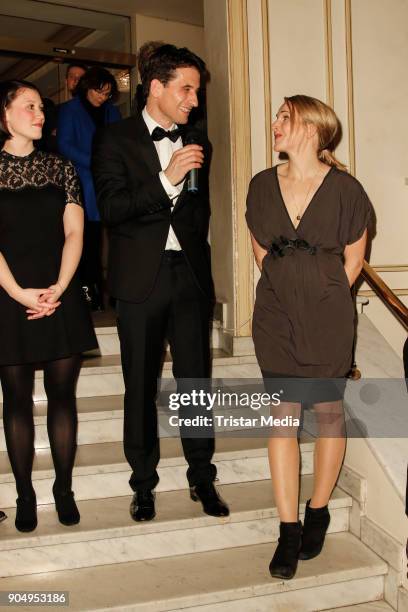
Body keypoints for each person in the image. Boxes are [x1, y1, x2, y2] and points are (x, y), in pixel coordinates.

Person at [92, 42, 229, 522]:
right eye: (186, 89)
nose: (194, 99)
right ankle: (143, 484)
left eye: (196, 90)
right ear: (156, 87)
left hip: (188, 279)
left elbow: (199, 214)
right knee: (140, 388)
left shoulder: (199, 142)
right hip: (140, 282)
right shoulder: (114, 140)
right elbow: (111, 209)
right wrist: (167, 178)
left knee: (195, 385)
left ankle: (201, 476)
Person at [246, 95, 371, 580]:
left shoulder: (346, 189)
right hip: (276, 317)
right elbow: (260, 252)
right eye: (276, 116)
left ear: (314, 127)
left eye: (285, 116)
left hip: (328, 318)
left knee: (328, 413)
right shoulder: (260, 186)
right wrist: (289, 289)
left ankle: (318, 508)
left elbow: (354, 262)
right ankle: (288, 527)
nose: (275, 123)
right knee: (282, 417)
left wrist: (319, 295)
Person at [0, 79, 98, 532]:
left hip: (60, 294)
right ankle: (24, 492)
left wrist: (58, 288)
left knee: (63, 398)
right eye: (29, 106)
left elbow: (76, 233)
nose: (41, 114)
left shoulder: (61, 169)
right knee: (16, 401)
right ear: (4, 115)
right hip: (6, 297)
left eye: (41, 107)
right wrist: (20, 293)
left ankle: (63, 487)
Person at [57, 67, 121, 310]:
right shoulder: (70, 110)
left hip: (111, 183)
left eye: (107, 94)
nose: (102, 97)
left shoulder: (112, 112)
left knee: (117, 240)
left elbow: (120, 144)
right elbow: (64, 145)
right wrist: (95, 163)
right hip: (84, 183)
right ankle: (88, 290)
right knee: (88, 241)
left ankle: (115, 291)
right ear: (87, 88)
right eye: (99, 92)